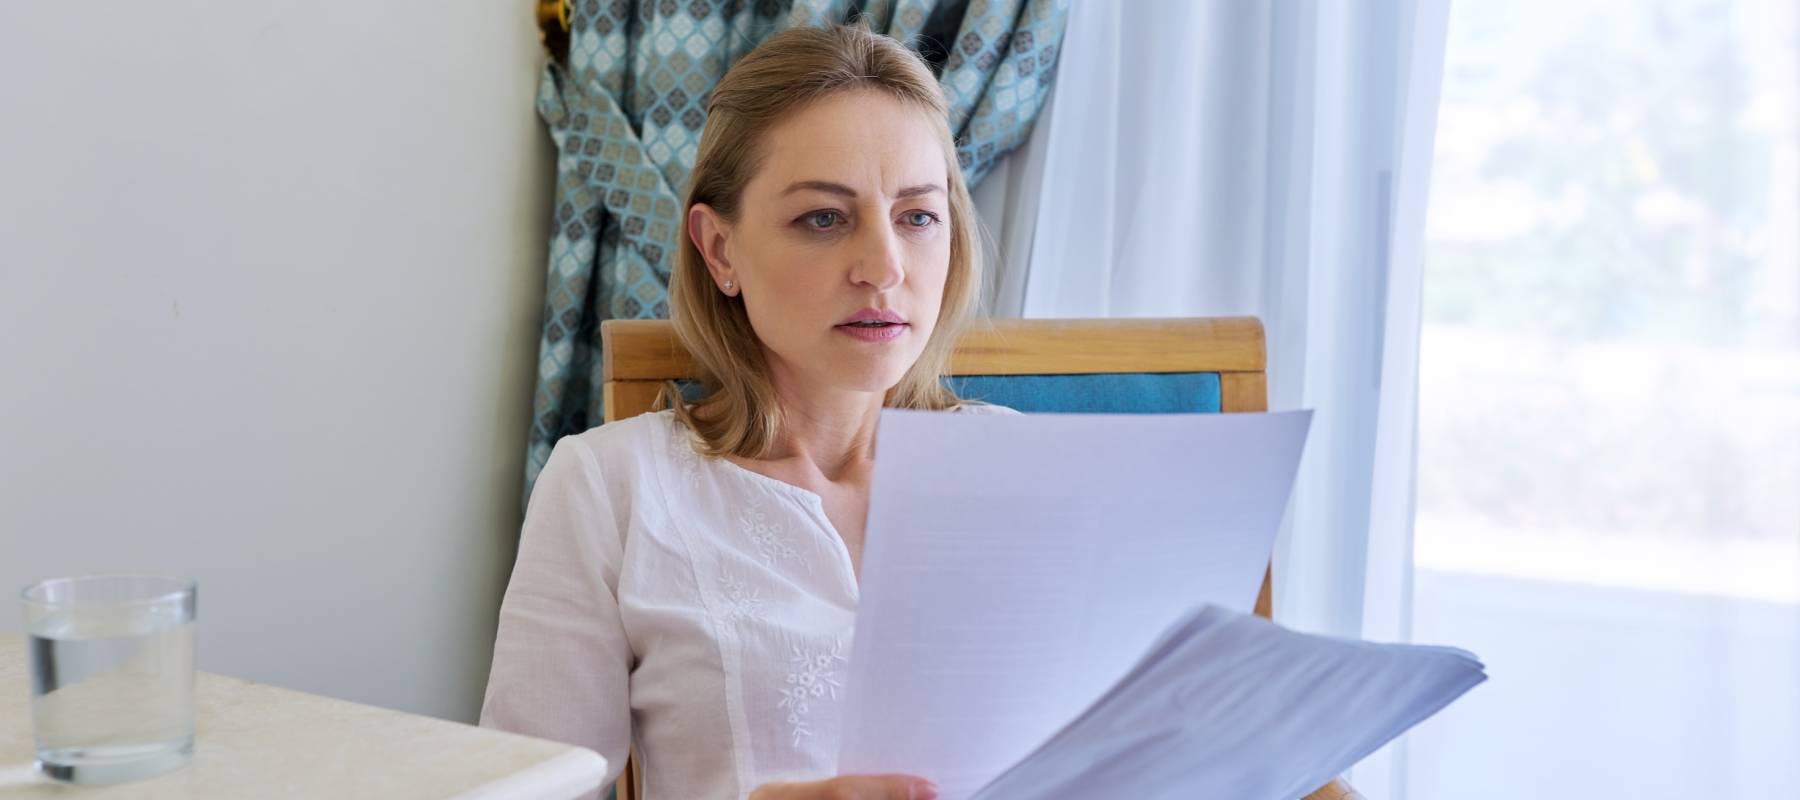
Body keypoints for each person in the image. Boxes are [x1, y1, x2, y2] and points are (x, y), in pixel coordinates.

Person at [480, 23, 1011, 800]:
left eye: (918, 216)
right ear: (720, 250)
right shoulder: (611, 488)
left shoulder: (1028, 469)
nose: (884, 268)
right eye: (824, 218)